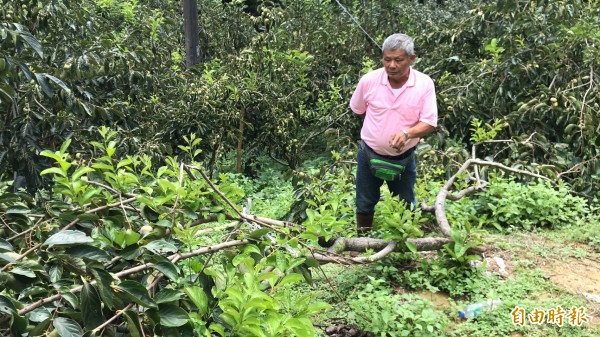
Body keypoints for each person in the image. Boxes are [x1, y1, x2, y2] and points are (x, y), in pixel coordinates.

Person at [349, 33, 438, 235]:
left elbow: (430, 122)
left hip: (404, 158)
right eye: (387, 59)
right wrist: (378, 132)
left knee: (406, 202)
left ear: (411, 58)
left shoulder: (424, 84)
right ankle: (362, 243)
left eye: (398, 60)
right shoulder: (369, 81)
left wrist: (407, 133)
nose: (391, 65)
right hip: (369, 154)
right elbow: (359, 110)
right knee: (364, 201)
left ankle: (405, 245)